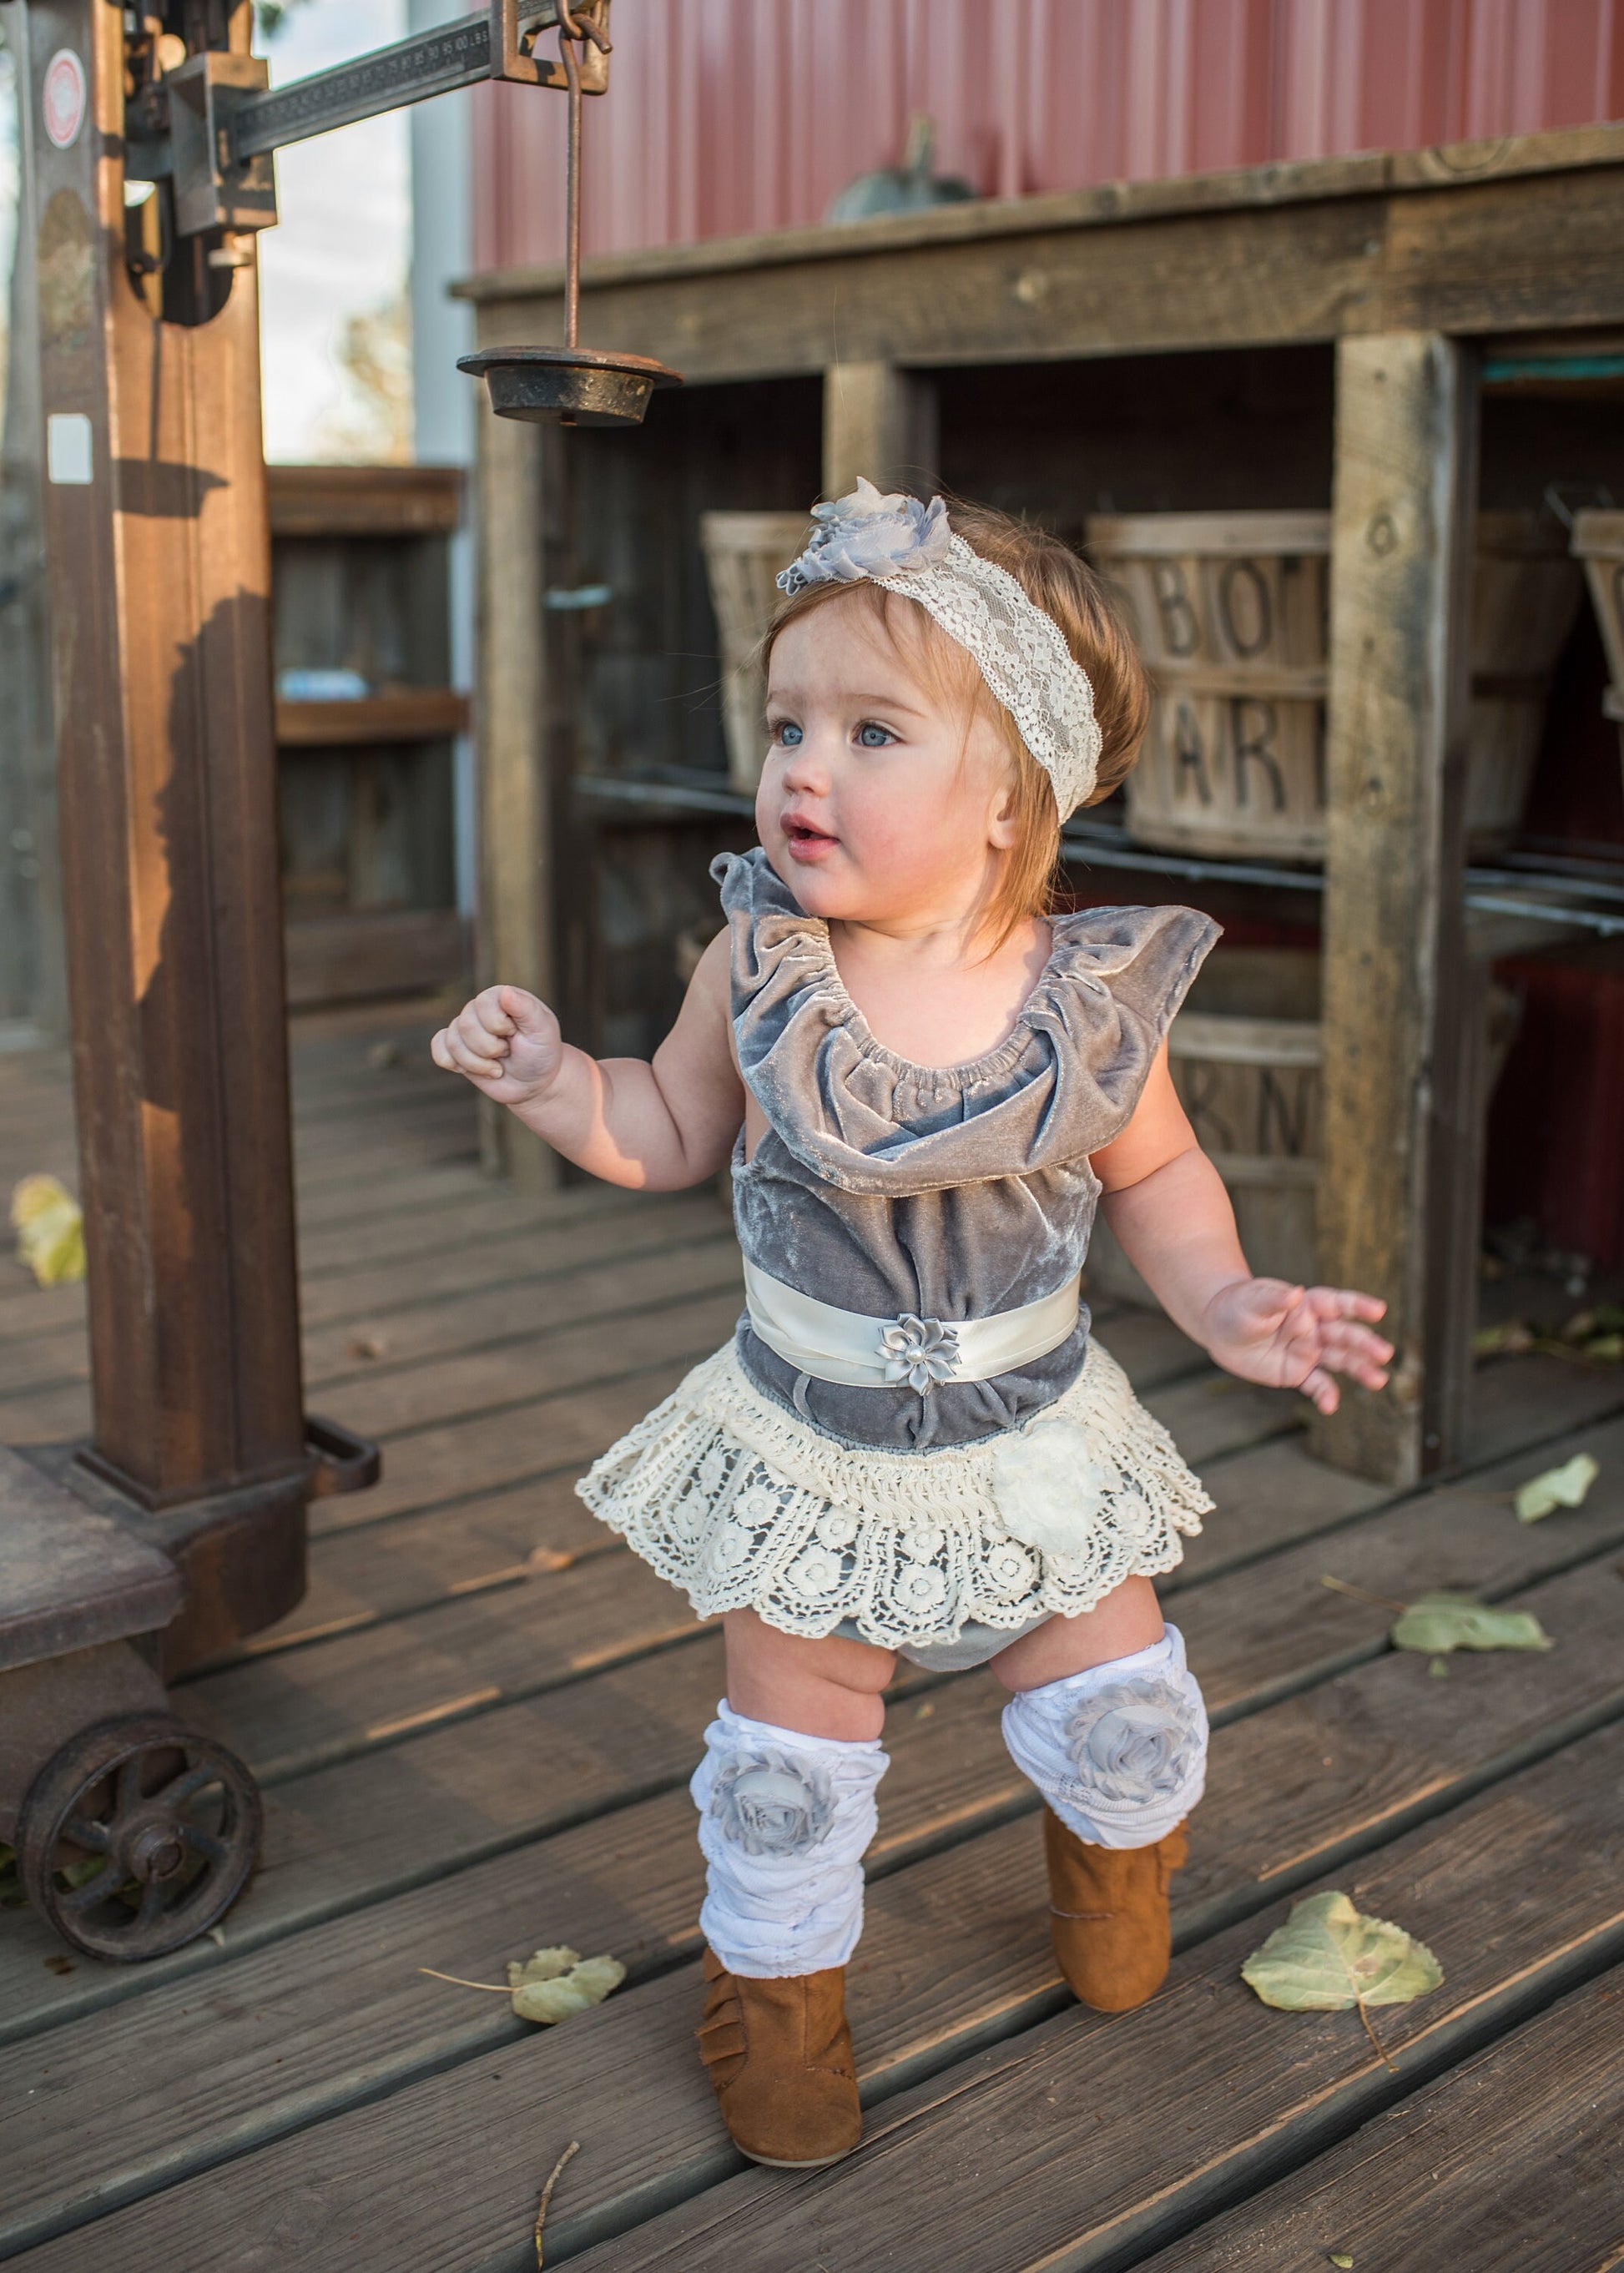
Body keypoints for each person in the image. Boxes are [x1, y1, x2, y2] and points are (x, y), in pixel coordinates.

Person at [431, 482, 1392, 2170]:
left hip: (1033, 1446)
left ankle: (1113, 1872)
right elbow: (663, 1130)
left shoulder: (1084, 1007)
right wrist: (556, 1083)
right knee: (788, 1768)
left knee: (1124, 1712)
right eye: (787, 722)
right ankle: (781, 2009)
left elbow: (1160, 1183)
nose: (803, 766)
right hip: (811, 1442)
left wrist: (1228, 1300)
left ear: (1015, 790)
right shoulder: (762, 965)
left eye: (871, 731)